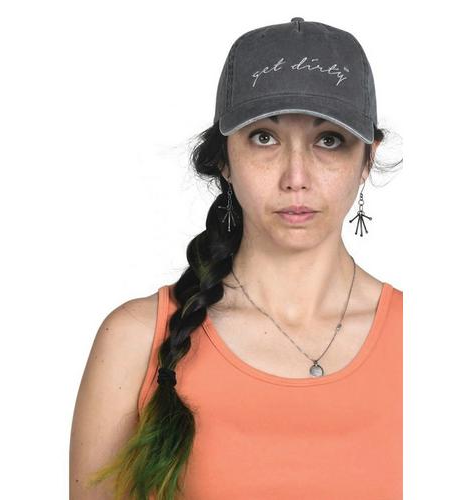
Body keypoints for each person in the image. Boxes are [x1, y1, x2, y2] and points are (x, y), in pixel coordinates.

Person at [70, 17, 403, 500]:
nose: (296, 177)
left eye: (329, 139)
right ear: (223, 158)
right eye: (264, 137)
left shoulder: (426, 342)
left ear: (368, 158)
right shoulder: (135, 341)